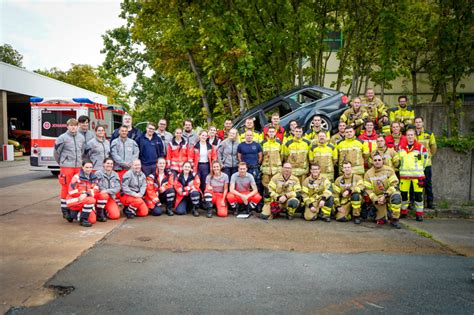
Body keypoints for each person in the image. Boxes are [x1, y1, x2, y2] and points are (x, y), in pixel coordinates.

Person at [54, 118, 85, 220]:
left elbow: (82, 151)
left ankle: (74, 208)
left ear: (77, 126)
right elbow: (56, 153)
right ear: (67, 126)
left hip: (78, 167)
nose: (73, 127)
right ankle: (65, 209)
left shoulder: (81, 137)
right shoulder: (62, 138)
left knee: (77, 188)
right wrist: (62, 163)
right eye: (71, 125)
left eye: (75, 125)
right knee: (66, 188)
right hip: (66, 167)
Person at [364, 152, 402, 228]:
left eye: (379, 160)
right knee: (382, 220)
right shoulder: (368, 174)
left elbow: (394, 184)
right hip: (378, 198)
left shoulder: (389, 170)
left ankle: (395, 219)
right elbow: (368, 190)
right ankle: (382, 214)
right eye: (375, 160)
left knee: (397, 196)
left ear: (382, 160)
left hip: (388, 194)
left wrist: (385, 195)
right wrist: (376, 199)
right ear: (373, 162)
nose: (377, 162)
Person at [399, 128, 428, 221]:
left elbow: (425, 161)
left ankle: (419, 214)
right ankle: (403, 212)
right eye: (408, 135)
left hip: (417, 176)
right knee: (403, 195)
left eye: (412, 135)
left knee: (418, 195)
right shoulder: (401, 147)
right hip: (404, 176)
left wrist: (420, 169)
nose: (410, 137)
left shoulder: (420, 147)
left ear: (414, 136)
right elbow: (399, 160)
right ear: (406, 136)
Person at [65, 160, 103, 227]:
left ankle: (73, 214)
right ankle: (83, 219)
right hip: (75, 200)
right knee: (91, 200)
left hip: (86, 199)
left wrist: (86, 194)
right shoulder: (76, 177)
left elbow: (96, 190)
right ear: (82, 167)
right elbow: (71, 191)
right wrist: (81, 194)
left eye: (90, 167)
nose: (89, 169)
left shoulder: (94, 177)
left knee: (93, 220)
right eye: (87, 167)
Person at [415, 116, 437, 209]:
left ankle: (430, 203)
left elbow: (433, 147)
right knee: (415, 184)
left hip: (426, 163)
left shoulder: (429, 134)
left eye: (420, 122)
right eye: (416, 122)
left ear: (423, 123)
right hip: (415, 164)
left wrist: (429, 156)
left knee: (428, 183)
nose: (418, 124)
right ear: (414, 123)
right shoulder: (411, 134)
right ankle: (414, 203)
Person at [237, 130, 263, 202]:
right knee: (245, 186)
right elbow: (239, 157)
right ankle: (245, 202)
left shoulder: (257, 145)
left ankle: (257, 202)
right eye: (247, 135)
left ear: (253, 136)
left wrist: (256, 165)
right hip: (244, 169)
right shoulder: (240, 145)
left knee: (256, 185)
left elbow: (260, 156)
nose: (249, 136)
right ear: (245, 136)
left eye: (250, 135)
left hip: (254, 169)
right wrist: (242, 165)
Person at [260, 126, 283, 203]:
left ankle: (275, 205)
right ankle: (267, 205)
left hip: (276, 170)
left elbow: (282, 156)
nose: (271, 133)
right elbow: (261, 156)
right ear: (267, 133)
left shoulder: (279, 143)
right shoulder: (263, 143)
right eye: (270, 132)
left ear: (275, 132)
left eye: (273, 131)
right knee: (266, 189)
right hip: (266, 171)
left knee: (276, 188)